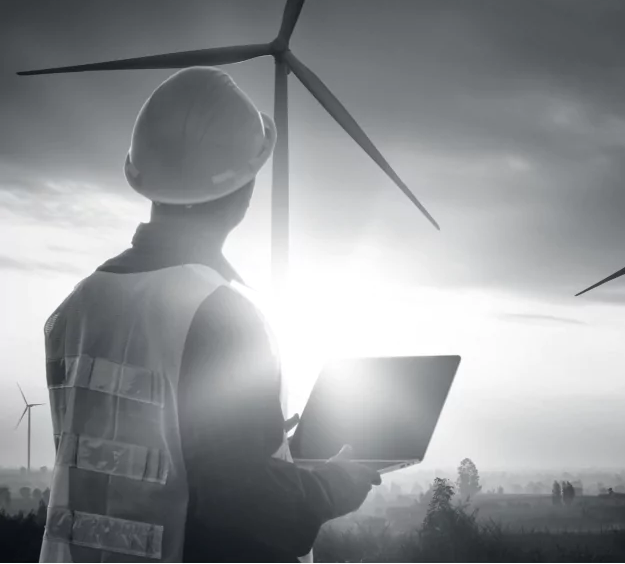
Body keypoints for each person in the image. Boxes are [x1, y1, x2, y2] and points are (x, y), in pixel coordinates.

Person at [40, 66, 381, 563]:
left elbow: (126, 454)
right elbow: (246, 514)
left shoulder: (73, 308)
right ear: (243, 191)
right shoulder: (220, 316)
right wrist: (332, 485)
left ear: (146, 180)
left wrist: (257, 435)